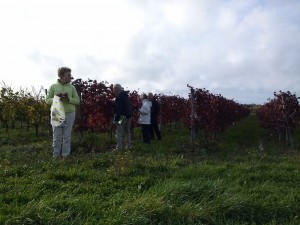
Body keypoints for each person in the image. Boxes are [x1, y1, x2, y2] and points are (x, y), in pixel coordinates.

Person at [46, 67, 80, 158]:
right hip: (57, 112)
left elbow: (77, 101)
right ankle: (56, 155)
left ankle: (65, 155)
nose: (70, 77)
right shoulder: (53, 87)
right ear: (61, 76)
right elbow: (47, 100)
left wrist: (68, 99)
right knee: (57, 136)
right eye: (68, 75)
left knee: (67, 136)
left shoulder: (72, 88)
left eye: (70, 74)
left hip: (70, 113)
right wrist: (56, 98)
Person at [113, 84, 132, 150]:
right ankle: (129, 146)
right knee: (127, 131)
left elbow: (119, 110)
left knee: (118, 131)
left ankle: (119, 148)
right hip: (129, 116)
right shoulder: (126, 96)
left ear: (117, 89)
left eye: (114, 89)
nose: (114, 91)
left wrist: (116, 119)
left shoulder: (119, 97)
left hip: (122, 117)